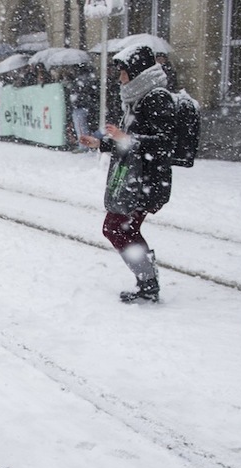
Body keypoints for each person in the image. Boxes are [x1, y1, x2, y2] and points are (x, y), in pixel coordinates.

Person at [79, 45, 174, 303]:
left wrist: (127, 138)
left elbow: (165, 142)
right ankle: (147, 281)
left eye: (123, 72)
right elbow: (129, 143)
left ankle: (148, 282)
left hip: (147, 180)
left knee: (116, 228)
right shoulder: (138, 98)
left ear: (136, 71)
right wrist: (102, 143)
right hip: (136, 178)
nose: (120, 78)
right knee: (121, 229)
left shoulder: (157, 97)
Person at [67, 63, 98, 152]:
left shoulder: (81, 81)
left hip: (80, 107)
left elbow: (79, 94)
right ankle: (85, 144)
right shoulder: (86, 80)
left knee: (81, 128)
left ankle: (84, 146)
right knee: (82, 127)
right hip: (84, 106)